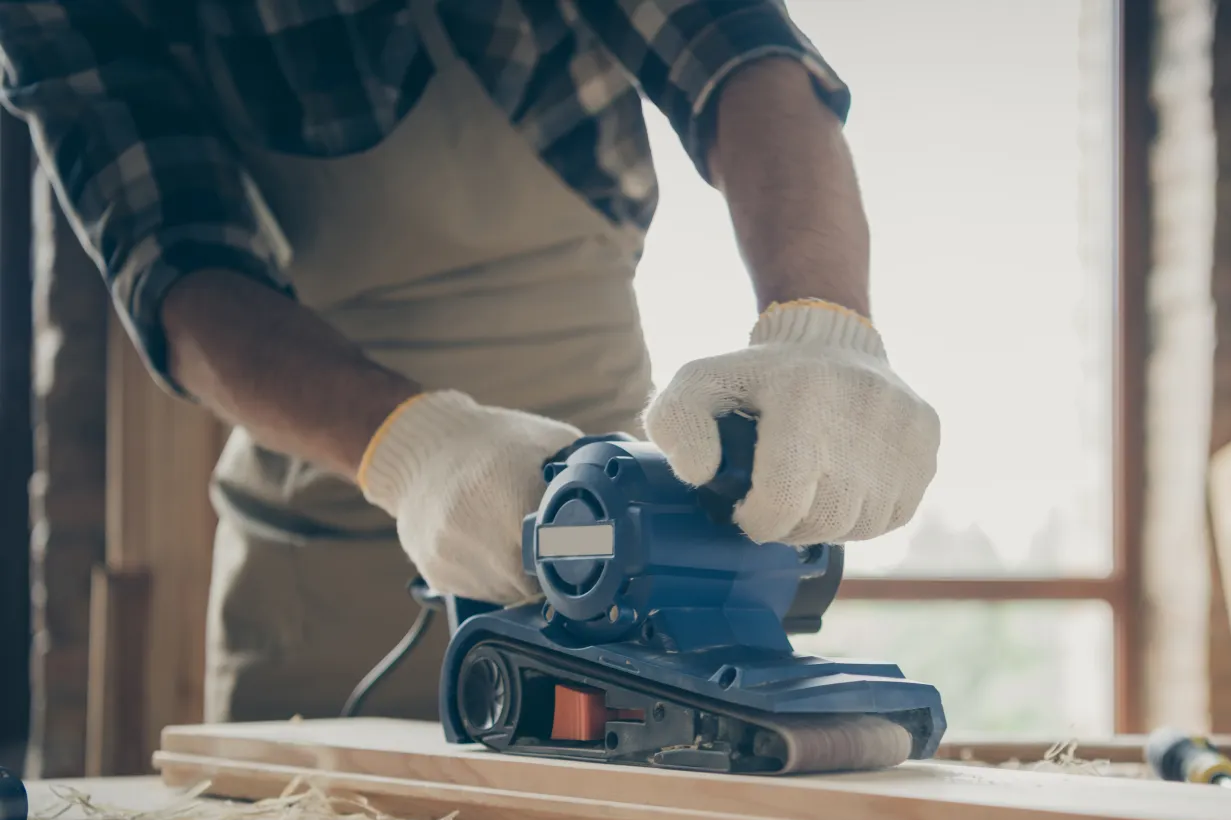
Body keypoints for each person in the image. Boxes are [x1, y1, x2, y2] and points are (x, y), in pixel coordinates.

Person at [0, 0, 940, 723]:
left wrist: (822, 320)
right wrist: (415, 446)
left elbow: (738, 55)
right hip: (319, 531)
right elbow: (175, 269)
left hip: (604, 473)